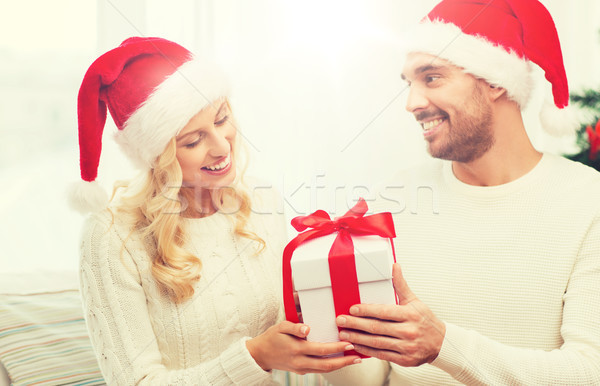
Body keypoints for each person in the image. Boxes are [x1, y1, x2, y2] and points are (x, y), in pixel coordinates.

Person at [323, 0, 600, 384]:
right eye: (409, 83)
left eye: (431, 78)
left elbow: (587, 372)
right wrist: (331, 335)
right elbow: (373, 374)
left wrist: (443, 345)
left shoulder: (589, 202)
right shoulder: (393, 198)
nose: (411, 103)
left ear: (496, 81)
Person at [70, 37, 360, 385]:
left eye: (222, 120)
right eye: (193, 141)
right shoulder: (112, 236)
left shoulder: (262, 199)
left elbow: (285, 341)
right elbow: (136, 381)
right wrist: (255, 357)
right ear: (156, 155)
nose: (222, 146)